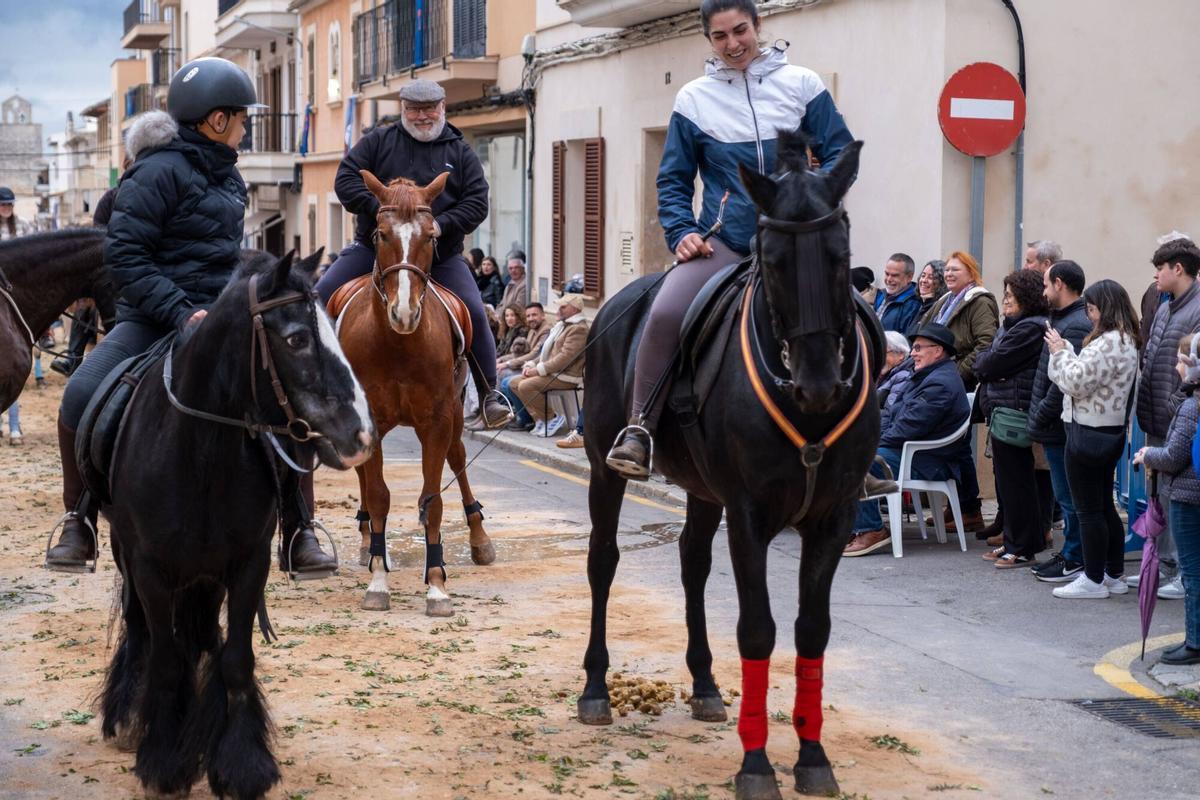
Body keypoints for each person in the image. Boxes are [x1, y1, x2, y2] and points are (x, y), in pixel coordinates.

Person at [43, 58, 339, 572]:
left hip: (217, 315)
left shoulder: (230, 179)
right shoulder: (153, 174)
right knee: (81, 392)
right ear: (215, 120)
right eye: (241, 117)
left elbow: (219, 256)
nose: (246, 126)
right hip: (151, 319)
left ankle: (299, 528)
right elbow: (125, 258)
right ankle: (80, 517)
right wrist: (180, 313)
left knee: (293, 398)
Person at [606, 0, 855, 479]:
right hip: (726, 242)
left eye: (741, 30)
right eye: (720, 37)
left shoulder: (803, 85)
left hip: (796, 243)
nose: (733, 44)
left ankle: (858, 441)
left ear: (759, 26)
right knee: (664, 312)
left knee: (850, 311)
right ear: (709, 41)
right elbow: (673, 179)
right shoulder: (694, 99)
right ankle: (640, 428)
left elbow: (841, 152)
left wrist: (818, 194)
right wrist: (682, 232)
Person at [318, 79, 509, 428]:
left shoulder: (460, 151)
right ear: (403, 110)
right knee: (319, 297)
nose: (422, 116)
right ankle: (315, 384)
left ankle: (489, 394)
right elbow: (345, 179)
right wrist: (379, 212)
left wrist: (443, 224)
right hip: (377, 248)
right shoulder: (379, 140)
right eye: (414, 109)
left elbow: (478, 201)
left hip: (440, 254)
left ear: (443, 107)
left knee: (475, 313)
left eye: (429, 109)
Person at [844, 323, 972, 556]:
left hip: (926, 461)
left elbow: (907, 428)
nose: (913, 353)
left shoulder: (939, 383)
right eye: (913, 348)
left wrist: (870, 443)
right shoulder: (925, 375)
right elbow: (892, 416)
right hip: (910, 452)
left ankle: (872, 530)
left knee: (856, 461)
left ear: (938, 350)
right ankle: (855, 527)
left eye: (918, 348)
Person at [1048, 280, 1140, 598]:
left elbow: (1074, 382)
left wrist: (1060, 353)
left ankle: (1093, 578)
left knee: (1089, 509)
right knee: (1104, 506)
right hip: (1109, 431)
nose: (1089, 316)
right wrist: (1071, 352)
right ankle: (1112, 574)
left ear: (1104, 308)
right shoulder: (1127, 340)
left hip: (1088, 431)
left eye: (1091, 309)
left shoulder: (1108, 342)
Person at [1135, 235, 1200, 600]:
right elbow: (1153, 355)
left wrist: (1178, 403)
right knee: (1157, 493)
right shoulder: (1165, 306)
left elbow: (1193, 369)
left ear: (1178, 269)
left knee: (1179, 496)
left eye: (1160, 268)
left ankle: (1179, 568)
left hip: (1180, 416)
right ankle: (1158, 564)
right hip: (1156, 415)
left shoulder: (1197, 308)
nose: (1156, 275)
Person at [975, 269, 1049, 569]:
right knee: (1009, 484)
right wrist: (989, 363)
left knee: (1018, 484)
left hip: (1015, 412)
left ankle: (1022, 547)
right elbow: (987, 360)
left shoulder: (1030, 327)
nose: (1005, 300)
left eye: (1011, 295)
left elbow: (991, 362)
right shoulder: (1013, 325)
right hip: (1003, 410)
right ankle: (1013, 539)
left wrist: (990, 364)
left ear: (1027, 297)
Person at [1136, 336, 1200, 663]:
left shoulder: (1192, 406)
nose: (1177, 366)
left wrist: (1148, 454)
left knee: (1192, 571)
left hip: (1189, 498)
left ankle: (1195, 642)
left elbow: (1175, 456)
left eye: (1182, 360)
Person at [1028, 260, 1091, 582]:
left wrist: (1039, 416)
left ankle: (1075, 557)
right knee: (1066, 497)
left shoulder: (1076, 324)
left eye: (1046, 284)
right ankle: (1071, 554)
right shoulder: (1062, 319)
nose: (1043, 291)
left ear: (1060, 284)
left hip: (1060, 426)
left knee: (1069, 498)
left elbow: (1065, 383)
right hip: (1054, 425)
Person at [915, 250, 999, 391]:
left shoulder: (981, 302)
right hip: (930, 374)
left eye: (955, 270)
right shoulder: (944, 300)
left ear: (971, 274)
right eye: (947, 270)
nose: (948, 274)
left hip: (955, 382)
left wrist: (957, 373)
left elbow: (986, 343)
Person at [512, 293, 589, 435]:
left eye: (563, 307)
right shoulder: (562, 326)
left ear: (575, 309)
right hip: (553, 372)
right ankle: (541, 419)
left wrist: (539, 370)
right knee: (513, 383)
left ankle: (551, 418)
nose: (559, 309)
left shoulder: (578, 328)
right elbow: (546, 353)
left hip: (566, 376)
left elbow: (565, 358)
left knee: (525, 386)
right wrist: (531, 365)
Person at [2, 185, 36, 440]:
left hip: (19, 289)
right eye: (3, 205)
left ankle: (15, 424)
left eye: (9, 205)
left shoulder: (23, 226)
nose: (6, 209)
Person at [499, 302, 552, 432]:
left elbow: (535, 354)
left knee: (507, 380)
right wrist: (501, 360)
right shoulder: (532, 330)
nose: (531, 319)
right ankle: (508, 414)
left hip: (539, 369)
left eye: (534, 315)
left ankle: (526, 419)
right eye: (528, 316)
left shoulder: (546, 330)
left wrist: (507, 364)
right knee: (502, 375)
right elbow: (522, 353)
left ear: (543, 315)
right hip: (528, 367)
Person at [873, 253, 922, 334]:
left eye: (895, 275)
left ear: (909, 277)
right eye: (887, 274)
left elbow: (905, 340)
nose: (888, 279)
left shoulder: (914, 304)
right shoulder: (881, 295)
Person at [908, 259, 948, 338]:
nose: (924, 280)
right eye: (923, 276)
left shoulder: (939, 309)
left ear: (941, 282)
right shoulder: (921, 305)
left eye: (931, 277)